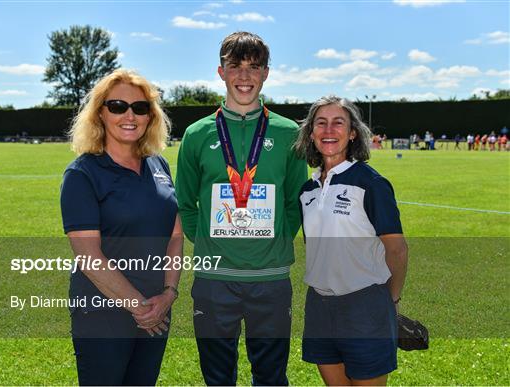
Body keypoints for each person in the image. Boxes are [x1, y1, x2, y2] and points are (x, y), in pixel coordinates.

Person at [175, 31, 307, 385]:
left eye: (254, 67)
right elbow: (185, 201)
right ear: (221, 72)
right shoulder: (197, 134)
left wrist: (278, 239)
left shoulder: (288, 133)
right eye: (235, 66)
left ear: (266, 73)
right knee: (218, 379)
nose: (244, 76)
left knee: (271, 377)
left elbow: (297, 200)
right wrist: (208, 240)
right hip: (214, 280)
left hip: (271, 279)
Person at [60, 69, 183, 386]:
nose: (130, 115)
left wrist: (168, 294)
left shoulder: (159, 164)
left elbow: (174, 235)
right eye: (117, 106)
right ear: (100, 112)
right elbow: (88, 255)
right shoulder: (82, 174)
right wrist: (140, 307)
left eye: (140, 108)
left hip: (156, 309)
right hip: (104, 312)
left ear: (150, 116)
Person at [294, 96, 408, 386]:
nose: (328, 130)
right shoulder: (307, 190)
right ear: (311, 133)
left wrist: (390, 301)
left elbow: (396, 249)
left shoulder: (371, 183)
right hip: (319, 306)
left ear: (353, 132)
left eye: (338, 122)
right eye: (321, 122)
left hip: (364, 307)